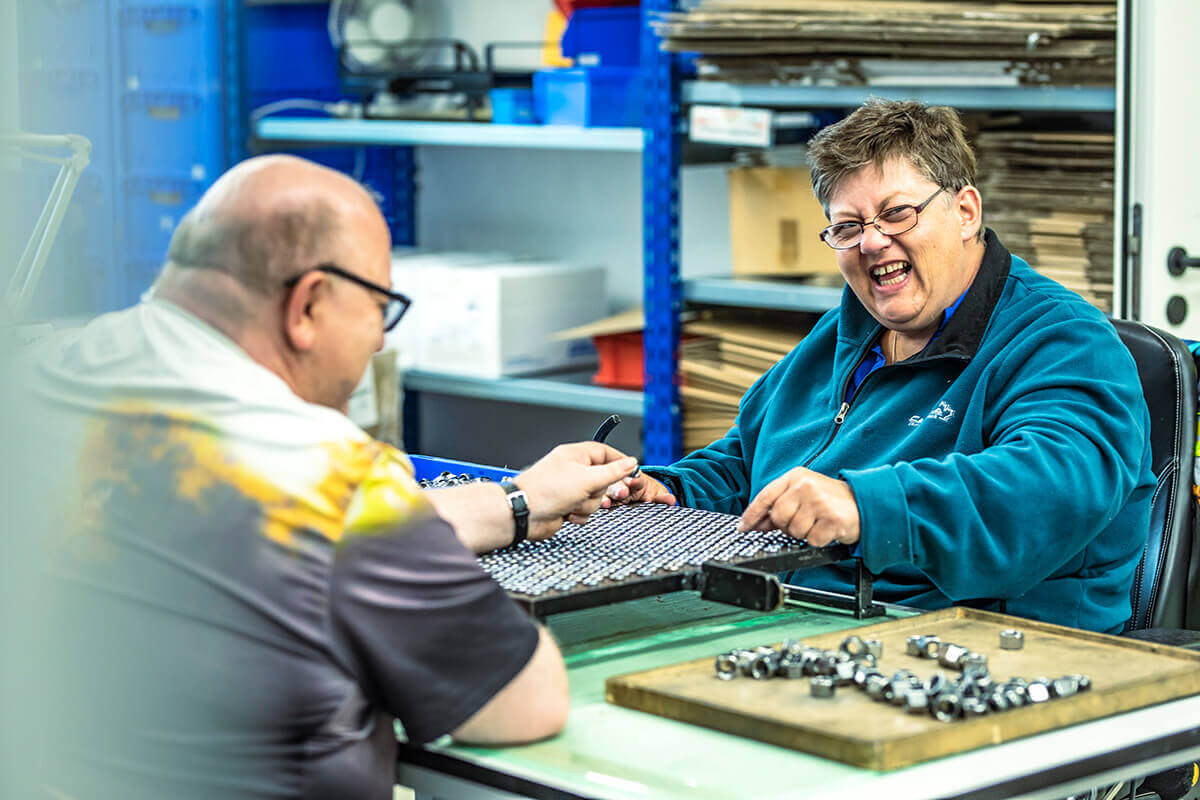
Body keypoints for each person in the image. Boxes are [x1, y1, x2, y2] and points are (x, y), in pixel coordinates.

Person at [19, 154, 639, 799]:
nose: (376, 343)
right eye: (379, 307)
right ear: (309, 304)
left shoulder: (43, 376)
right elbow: (519, 704)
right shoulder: (318, 473)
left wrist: (516, 502)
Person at [610, 99, 1153, 634]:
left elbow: (1051, 488)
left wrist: (867, 506)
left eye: (897, 213)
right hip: (805, 614)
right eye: (847, 227)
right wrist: (672, 493)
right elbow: (749, 464)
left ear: (966, 212)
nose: (871, 242)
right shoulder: (848, 330)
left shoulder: (1064, 341)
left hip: (983, 643)